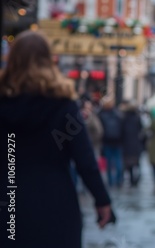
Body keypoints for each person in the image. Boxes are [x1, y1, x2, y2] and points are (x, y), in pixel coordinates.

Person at [0, 30, 113, 248]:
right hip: (55, 202)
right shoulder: (63, 105)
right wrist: (102, 200)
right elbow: (85, 160)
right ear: (48, 60)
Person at [98, 97, 124, 187]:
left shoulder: (101, 114)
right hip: (117, 141)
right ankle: (118, 180)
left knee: (108, 162)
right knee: (118, 161)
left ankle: (110, 181)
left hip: (107, 141)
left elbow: (99, 130)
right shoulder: (118, 114)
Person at [121, 100, 144, 187]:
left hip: (127, 143)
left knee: (129, 163)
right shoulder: (137, 118)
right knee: (136, 163)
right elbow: (141, 130)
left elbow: (122, 131)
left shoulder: (124, 118)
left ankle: (131, 179)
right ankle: (136, 178)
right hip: (135, 143)